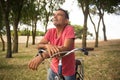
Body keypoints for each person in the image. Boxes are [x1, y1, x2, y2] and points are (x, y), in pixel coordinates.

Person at [28, 8, 76, 80]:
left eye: (59, 15)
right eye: (54, 15)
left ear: (66, 21)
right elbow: (39, 45)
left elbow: (66, 49)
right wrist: (47, 45)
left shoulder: (69, 29)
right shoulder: (50, 31)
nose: (55, 16)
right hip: (53, 68)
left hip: (67, 71)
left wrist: (42, 56)